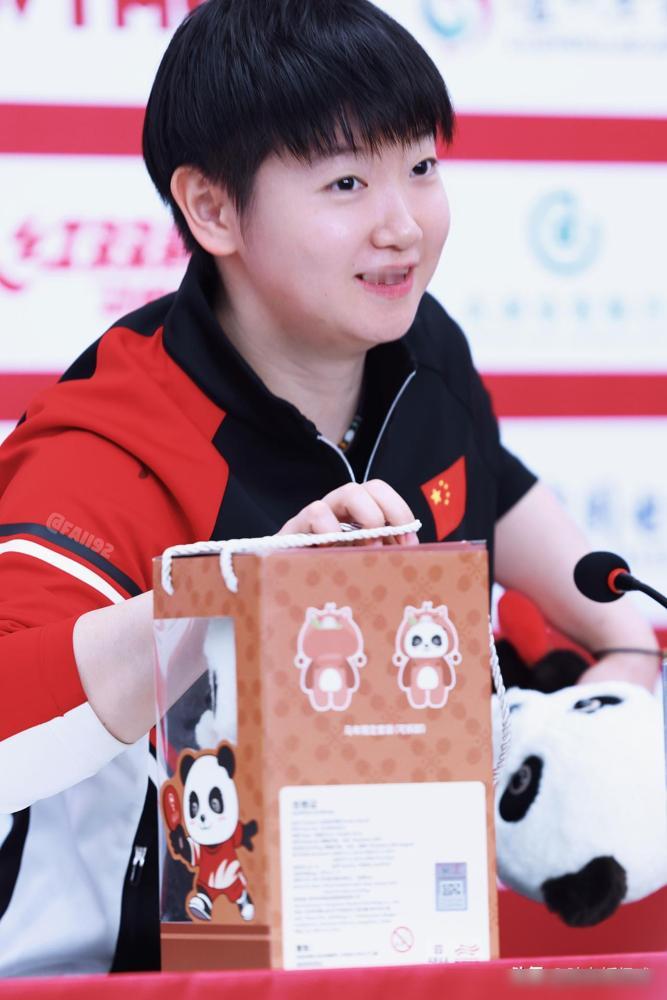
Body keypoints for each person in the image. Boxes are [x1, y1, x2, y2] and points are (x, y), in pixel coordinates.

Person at [0, 0, 658, 978]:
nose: (402, 225)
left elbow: (493, 490)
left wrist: (623, 652)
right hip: (108, 980)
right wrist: (238, 594)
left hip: (387, 959)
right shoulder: (109, 445)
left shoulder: (422, 350)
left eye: (421, 166)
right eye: (346, 182)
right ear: (212, 208)